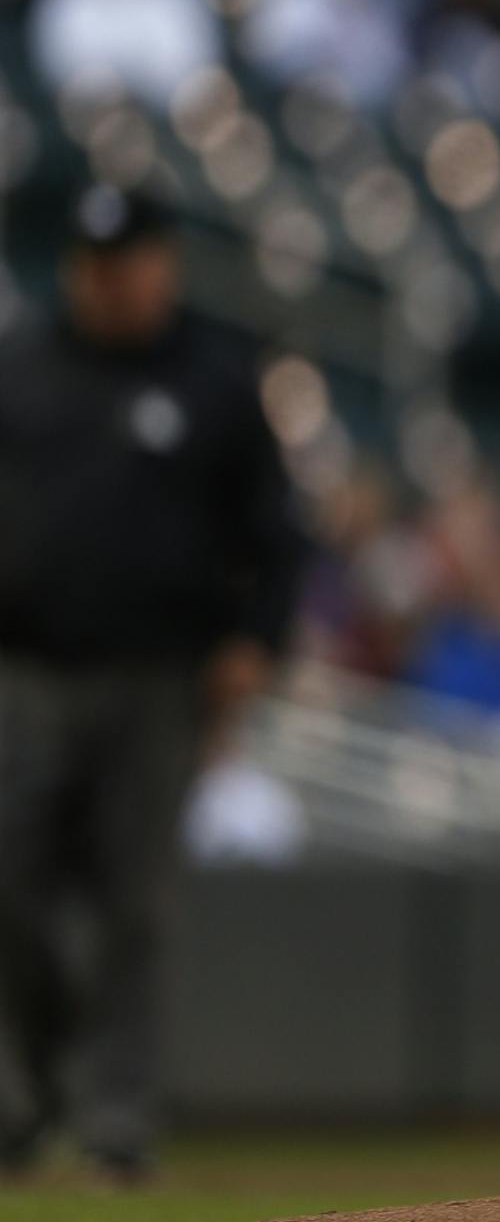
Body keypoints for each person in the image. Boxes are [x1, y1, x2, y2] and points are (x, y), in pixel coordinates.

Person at [0, 185, 306, 1182]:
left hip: (158, 680)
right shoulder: (22, 368)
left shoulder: (214, 381)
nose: (109, 280)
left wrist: (254, 641)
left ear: (164, 264)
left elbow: (276, 535)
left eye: (126, 260)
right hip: (27, 671)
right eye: (93, 262)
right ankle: (20, 1102)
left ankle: (115, 1123)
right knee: (11, 891)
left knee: (136, 909)